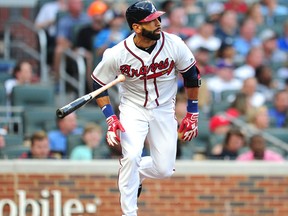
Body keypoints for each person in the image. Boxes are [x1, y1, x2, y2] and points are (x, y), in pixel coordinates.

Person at [90, 1, 200, 215]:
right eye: (151, 21)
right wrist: (110, 118)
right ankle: (129, 212)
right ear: (136, 27)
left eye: (158, 18)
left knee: (164, 170)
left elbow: (192, 75)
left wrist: (192, 112)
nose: (158, 23)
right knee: (130, 156)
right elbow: (98, 83)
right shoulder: (118, 53)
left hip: (163, 109)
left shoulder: (174, 43)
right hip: (133, 108)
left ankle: (136, 173)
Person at [34, 0, 67, 65]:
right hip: (53, 38)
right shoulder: (48, 7)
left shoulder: (74, 6)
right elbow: (37, 26)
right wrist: (53, 21)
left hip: (69, 37)